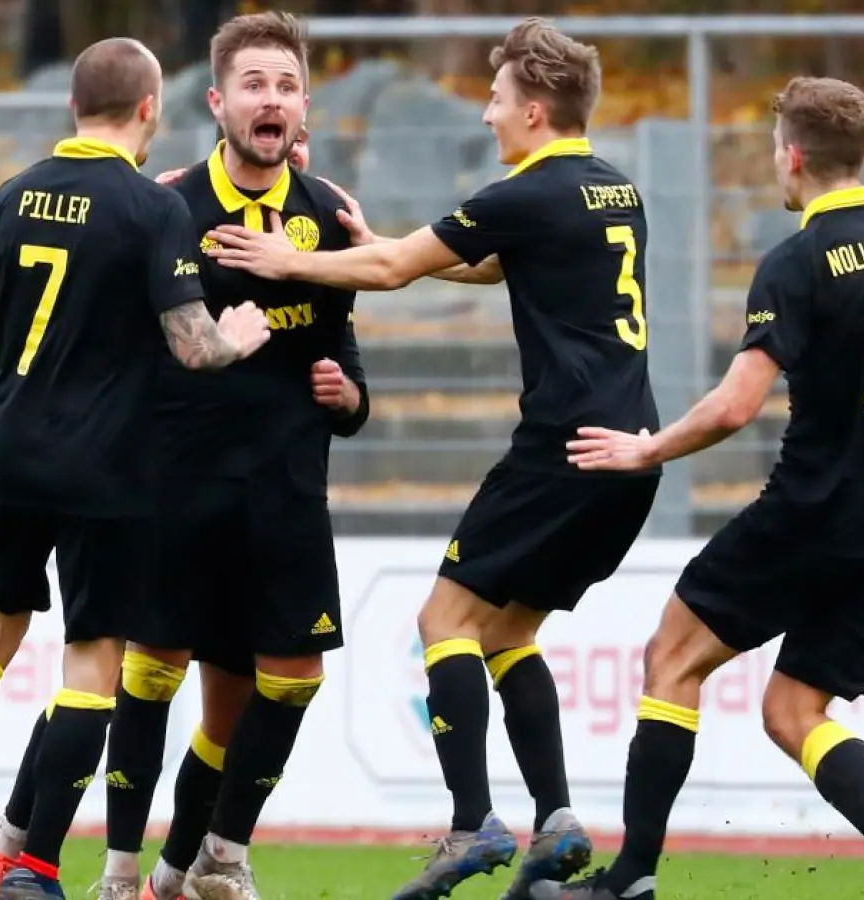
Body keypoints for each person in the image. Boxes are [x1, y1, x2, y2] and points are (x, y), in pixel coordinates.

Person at [205, 18, 661, 900]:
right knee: (510, 632)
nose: (488, 116)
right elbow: (493, 267)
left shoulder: (522, 192)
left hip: (562, 451)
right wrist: (378, 243)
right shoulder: (617, 190)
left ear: (534, 110)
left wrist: (291, 261)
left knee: (443, 621)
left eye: (496, 100)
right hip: (631, 457)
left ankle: (471, 822)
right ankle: (557, 818)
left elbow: (391, 273)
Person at [527, 76, 864, 900]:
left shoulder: (797, 261)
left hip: (809, 513)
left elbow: (735, 405)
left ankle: (631, 879)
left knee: (673, 657)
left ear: (792, 156)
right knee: (793, 711)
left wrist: (648, 449)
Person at [0, 36, 271, 900]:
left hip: (12, 453)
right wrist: (238, 337)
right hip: (103, 468)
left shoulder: (13, 193)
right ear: (149, 109)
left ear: (74, 106)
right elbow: (193, 347)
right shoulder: (152, 208)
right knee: (93, 663)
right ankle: (33, 867)